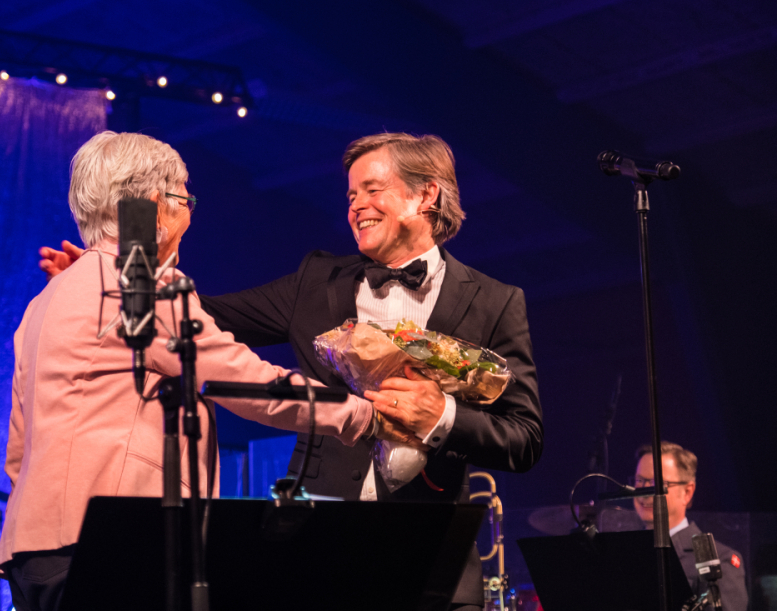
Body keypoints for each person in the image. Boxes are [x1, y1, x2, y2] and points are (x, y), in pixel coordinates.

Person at [40, 132, 544, 610]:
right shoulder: (317, 281)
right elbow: (203, 318)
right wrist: (115, 287)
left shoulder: (495, 302)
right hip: (315, 551)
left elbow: (523, 438)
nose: (356, 206)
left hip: (432, 554)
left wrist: (443, 417)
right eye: (350, 195)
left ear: (426, 195)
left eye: (372, 190)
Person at [0, 131, 420, 611]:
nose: (189, 216)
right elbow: (244, 381)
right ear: (152, 206)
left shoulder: (44, 302)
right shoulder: (141, 284)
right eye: (183, 199)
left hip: (30, 548)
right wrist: (365, 415)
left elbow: (19, 447)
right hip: (113, 536)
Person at [633, 442, 748, 611]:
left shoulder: (718, 561)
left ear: (687, 492)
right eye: (639, 481)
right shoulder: (625, 552)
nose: (645, 492)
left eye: (657, 483)